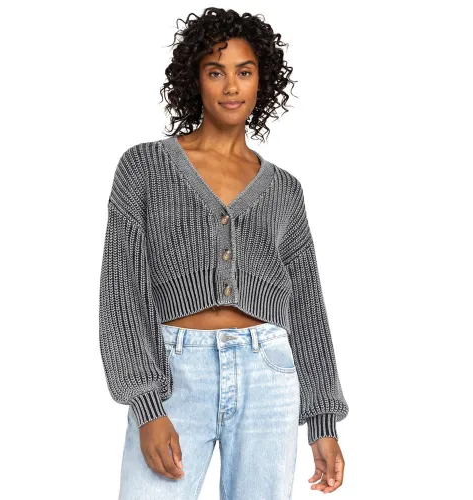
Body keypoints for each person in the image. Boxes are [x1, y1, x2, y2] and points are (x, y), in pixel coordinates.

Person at [99, 7, 349, 499]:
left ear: (262, 82)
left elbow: (307, 305)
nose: (231, 86)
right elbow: (120, 289)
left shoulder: (284, 189)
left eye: (244, 72)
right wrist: (147, 406)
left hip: (269, 372)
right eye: (216, 72)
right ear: (195, 80)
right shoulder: (144, 167)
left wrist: (322, 419)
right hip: (173, 374)